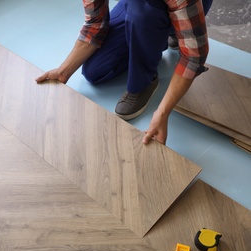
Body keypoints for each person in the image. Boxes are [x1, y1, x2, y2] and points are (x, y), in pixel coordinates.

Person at [36, 0, 213, 145]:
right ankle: (163, 30)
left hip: (188, 6)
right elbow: (95, 22)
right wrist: (63, 70)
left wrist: (162, 113)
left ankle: (146, 79)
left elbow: (193, 56)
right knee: (95, 71)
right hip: (137, 5)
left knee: (143, 15)